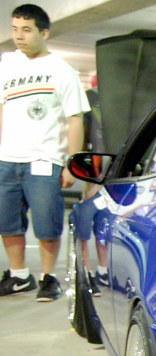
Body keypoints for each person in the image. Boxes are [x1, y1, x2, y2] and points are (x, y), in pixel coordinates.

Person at [0, 4, 89, 301]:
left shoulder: (61, 70)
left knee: (47, 223)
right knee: (7, 221)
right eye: (15, 29)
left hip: (44, 159)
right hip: (7, 159)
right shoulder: (6, 65)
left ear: (44, 32)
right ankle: (19, 275)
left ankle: (48, 277)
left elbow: (76, 119)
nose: (19, 36)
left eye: (26, 30)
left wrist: (72, 164)